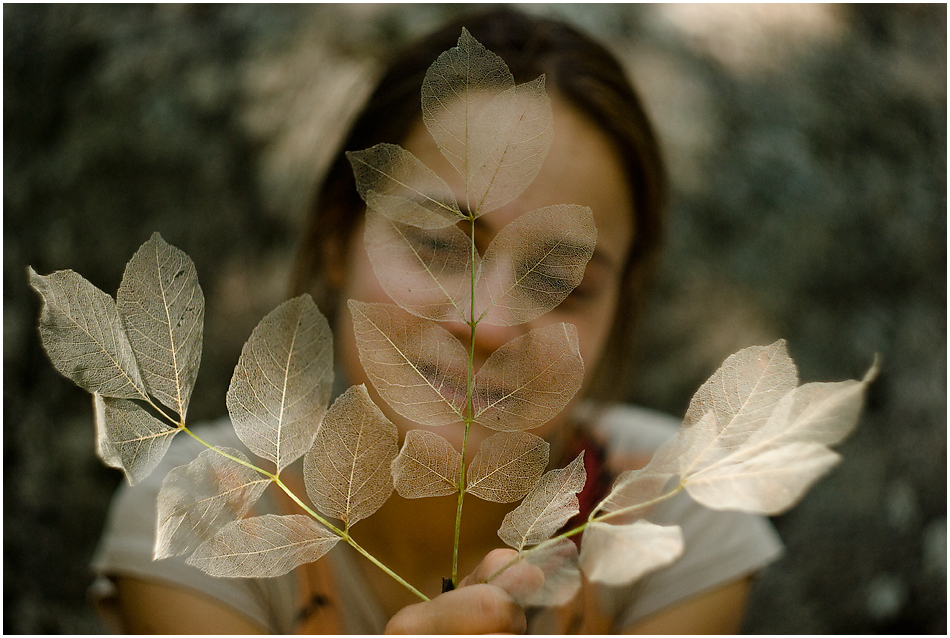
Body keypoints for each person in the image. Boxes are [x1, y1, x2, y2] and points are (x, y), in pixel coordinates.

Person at [89, 8, 783, 633]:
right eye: (440, 246)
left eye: (560, 284)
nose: (491, 326)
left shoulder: (675, 513)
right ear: (337, 238)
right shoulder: (199, 513)